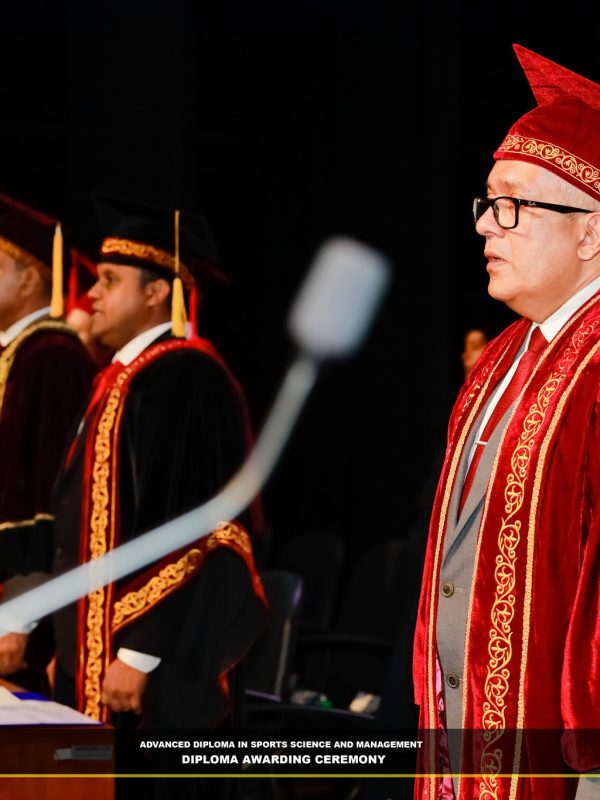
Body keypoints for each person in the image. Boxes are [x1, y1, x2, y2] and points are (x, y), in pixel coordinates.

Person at [413, 45, 600, 800]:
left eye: (513, 206)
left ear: (590, 233)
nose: (488, 227)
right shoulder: (500, 359)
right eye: (486, 204)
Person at [50, 194, 266, 743]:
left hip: (148, 663)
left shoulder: (187, 377)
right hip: (96, 649)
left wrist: (138, 653)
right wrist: (68, 642)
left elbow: (193, 523)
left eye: (109, 280)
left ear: (156, 293)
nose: (91, 294)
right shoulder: (119, 378)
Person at [0, 193, 97, 693]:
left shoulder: (52, 355)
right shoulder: (13, 352)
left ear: (29, 279)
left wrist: (20, 615)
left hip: (24, 610)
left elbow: (49, 495)